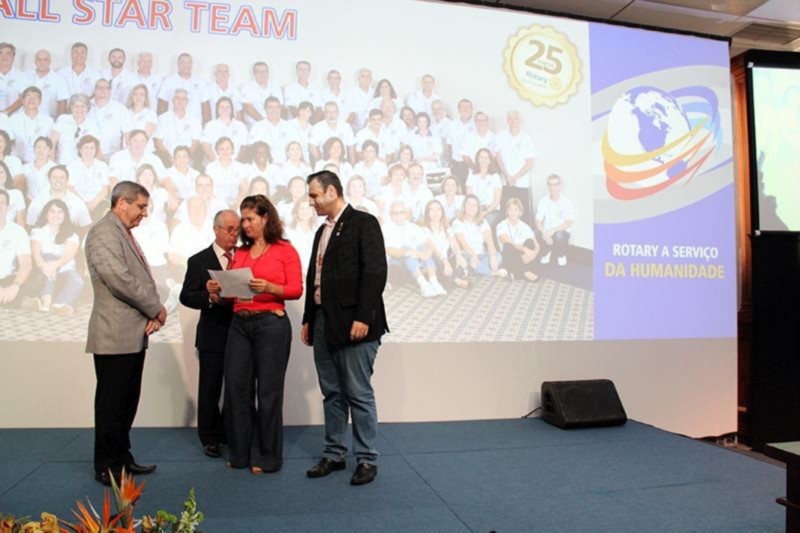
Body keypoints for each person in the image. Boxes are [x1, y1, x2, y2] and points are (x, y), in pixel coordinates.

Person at [302, 170, 388, 486]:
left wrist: (363, 317)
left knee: (358, 393)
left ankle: (366, 459)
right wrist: (308, 318)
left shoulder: (364, 223)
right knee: (332, 392)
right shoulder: (321, 231)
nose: (310, 202)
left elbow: (375, 272)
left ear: (331, 192)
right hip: (323, 321)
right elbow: (314, 278)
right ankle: (334, 454)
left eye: (314, 195)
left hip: (355, 323)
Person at [207, 194, 302, 474]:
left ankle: (267, 457)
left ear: (266, 218)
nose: (245, 225)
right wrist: (217, 290)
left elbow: (296, 289)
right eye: (243, 219)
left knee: (268, 393)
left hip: (271, 324)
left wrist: (270, 288)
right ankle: (240, 453)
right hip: (240, 324)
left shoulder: (285, 250)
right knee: (236, 390)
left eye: (250, 219)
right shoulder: (240, 253)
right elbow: (232, 293)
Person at [84, 180, 167, 486]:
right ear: (122, 203)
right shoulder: (104, 232)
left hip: (130, 334)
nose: (144, 213)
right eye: (141, 206)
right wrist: (155, 308)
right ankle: (107, 465)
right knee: (112, 403)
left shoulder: (121, 232)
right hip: (114, 334)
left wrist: (151, 312)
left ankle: (122, 458)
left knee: (126, 402)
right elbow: (119, 279)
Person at [179, 209, 240, 459]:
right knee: (210, 388)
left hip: (241, 332)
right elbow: (186, 296)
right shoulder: (199, 261)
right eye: (230, 229)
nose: (235, 234)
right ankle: (210, 438)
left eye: (238, 230)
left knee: (238, 387)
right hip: (212, 334)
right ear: (216, 229)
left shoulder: (245, 257)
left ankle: (231, 432)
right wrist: (210, 296)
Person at [24, 198, 84, 315]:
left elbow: (68, 255)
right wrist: (44, 266)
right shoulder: (37, 231)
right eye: (52, 211)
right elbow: (36, 254)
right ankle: (46, 298)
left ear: (65, 215)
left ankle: (59, 304)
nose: (56, 215)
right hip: (42, 271)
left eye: (60, 212)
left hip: (64, 270)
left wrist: (54, 265)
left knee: (78, 281)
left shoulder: (72, 235)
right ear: (46, 214)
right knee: (50, 256)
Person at [384, 199, 444, 297]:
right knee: (407, 248)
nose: (398, 216)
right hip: (394, 262)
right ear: (390, 214)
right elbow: (388, 250)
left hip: (415, 260)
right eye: (395, 213)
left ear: (405, 213)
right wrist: (409, 252)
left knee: (422, 247)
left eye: (401, 212)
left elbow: (426, 244)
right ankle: (423, 285)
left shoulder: (414, 227)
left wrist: (426, 252)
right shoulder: (385, 228)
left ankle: (434, 281)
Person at [452, 194, 505, 278]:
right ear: (464, 206)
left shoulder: (483, 222)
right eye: (469, 205)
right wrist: (474, 256)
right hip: (467, 254)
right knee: (464, 259)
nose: (472, 208)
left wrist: (492, 256)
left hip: (482, 254)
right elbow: (462, 242)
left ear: (478, 208)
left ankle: (474, 270)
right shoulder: (457, 222)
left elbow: (489, 241)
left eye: (474, 205)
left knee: (498, 256)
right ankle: (492, 273)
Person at [420, 199, 468, 289]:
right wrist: (444, 262)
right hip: (435, 261)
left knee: (464, 256)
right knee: (434, 256)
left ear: (442, 212)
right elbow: (433, 248)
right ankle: (456, 280)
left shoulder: (446, 228)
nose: (435, 212)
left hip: (446, 260)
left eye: (438, 209)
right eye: (432, 210)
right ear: (427, 213)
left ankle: (448, 278)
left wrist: (458, 255)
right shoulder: (424, 229)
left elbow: (454, 244)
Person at [496, 110, 535, 219]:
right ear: (507, 120)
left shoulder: (526, 138)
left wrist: (515, 177)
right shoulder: (501, 136)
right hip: (506, 182)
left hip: (521, 183)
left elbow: (529, 162)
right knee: (505, 213)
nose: (513, 121)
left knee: (523, 215)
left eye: (515, 118)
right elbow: (498, 158)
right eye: (510, 118)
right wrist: (508, 176)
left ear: (519, 120)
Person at [27, 165, 92, 230]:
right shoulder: (38, 201)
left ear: (67, 180)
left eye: (62, 177)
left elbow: (85, 228)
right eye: (54, 177)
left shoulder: (77, 202)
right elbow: (31, 226)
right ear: (49, 179)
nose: (58, 180)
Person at [157, 53, 210, 124]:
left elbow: (205, 106)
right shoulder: (168, 81)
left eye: (189, 63)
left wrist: (206, 125)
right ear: (178, 64)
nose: (186, 65)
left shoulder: (201, 82)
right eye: (183, 63)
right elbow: (162, 105)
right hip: (172, 124)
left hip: (195, 124)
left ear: (192, 64)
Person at [66, 135, 110, 220]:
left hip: (98, 204)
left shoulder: (102, 166)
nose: (89, 151)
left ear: (96, 150)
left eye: (92, 148)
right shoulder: (71, 166)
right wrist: (82, 204)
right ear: (80, 149)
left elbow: (105, 190)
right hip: (77, 203)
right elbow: (70, 188)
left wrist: (93, 203)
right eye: (85, 147)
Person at [535, 174, 575, 266]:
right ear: (547, 186)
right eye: (550, 184)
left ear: (559, 185)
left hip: (560, 232)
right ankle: (546, 252)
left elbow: (569, 222)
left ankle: (561, 255)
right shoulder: (543, 201)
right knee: (535, 233)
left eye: (555, 184)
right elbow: (538, 221)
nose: (552, 187)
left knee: (559, 235)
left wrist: (553, 230)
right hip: (547, 231)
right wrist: (545, 233)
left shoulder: (566, 202)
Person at [0, 189, 31, 308]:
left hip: (8, 279)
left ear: (8, 207)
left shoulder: (18, 231)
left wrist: (15, 286)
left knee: (36, 278)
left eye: (2, 203)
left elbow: (26, 263)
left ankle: (10, 297)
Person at [154, 89, 201, 166]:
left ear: (187, 102)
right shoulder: (163, 118)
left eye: (183, 99)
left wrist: (185, 158)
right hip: (167, 159)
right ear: (173, 101)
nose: (180, 101)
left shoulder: (195, 120)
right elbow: (158, 142)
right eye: (177, 98)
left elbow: (195, 143)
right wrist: (169, 157)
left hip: (187, 161)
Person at [497, 197, 540, 281]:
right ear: (507, 211)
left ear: (520, 212)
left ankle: (516, 273)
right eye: (510, 210)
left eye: (515, 210)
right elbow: (506, 241)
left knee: (530, 242)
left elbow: (537, 245)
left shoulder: (525, 226)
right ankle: (525, 272)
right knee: (508, 246)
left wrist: (533, 255)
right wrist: (524, 249)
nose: (513, 213)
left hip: (522, 256)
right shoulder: (501, 225)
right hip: (509, 255)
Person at [50, 93, 99, 164]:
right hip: (62, 165)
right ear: (71, 107)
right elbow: (52, 143)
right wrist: (52, 164)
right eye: (76, 106)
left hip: (83, 166)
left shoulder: (92, 124)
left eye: (83, 106)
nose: (80, 109)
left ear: (87, 108)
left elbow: (97, 148)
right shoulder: (63, 119)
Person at [9, 86, 54, 163]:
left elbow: (50, 144)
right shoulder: (13, 119)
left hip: (40, 162)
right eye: (28, 96)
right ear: (22, 100)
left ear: (40, 101)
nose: (32, 100)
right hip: (17, 162)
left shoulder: (48, 121)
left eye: (35, 97)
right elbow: (8, 143)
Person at [205, 136, 249, 208]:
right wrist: (218, 204)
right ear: (217, 151)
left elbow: (245, 188)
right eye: (221, 149)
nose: (225, 152)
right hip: (216, 204)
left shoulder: (239, 166)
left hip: (235, 204)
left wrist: (238, 202)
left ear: (232, 150)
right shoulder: (210, 167)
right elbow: (207, 187)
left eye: (228, 148)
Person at [201, 96, 247, 162]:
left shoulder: (240, 126)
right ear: (217, 109)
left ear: (232, 109)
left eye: (228, 107)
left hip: (235, 162)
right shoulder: (210, 125)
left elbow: (244, 147)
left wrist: (235, 163)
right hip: (214, 161)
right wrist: (217, 163)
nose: (225, 109)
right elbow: (205, 145)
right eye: (221, 107)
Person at [26, 49, 69, 118]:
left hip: (50, 119)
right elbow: (20, 98)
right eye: (39, 59)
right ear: (35, 61)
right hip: (27, 118)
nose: (41, 63)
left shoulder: (59, 79)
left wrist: (58, 121)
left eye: (45, 60)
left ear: (50, 61)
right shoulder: (25, 76)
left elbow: (62, 103)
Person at [466, 147, 502, 227]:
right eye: (481, 157)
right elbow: (469, 197)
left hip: (491, 210)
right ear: (477, 159)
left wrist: (485, 212)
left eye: (486, 158)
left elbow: (496, 201)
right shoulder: (472, 175)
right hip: (474, 209)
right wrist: (476, 211)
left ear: (490, 160)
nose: (484, 160)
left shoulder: (495, 176)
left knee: (484, 224)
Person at [248, 96, 291, 165]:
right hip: (265, 165)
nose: (274, 110)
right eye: (270, 107)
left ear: (280, 109)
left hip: (286, 164)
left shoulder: (289, 126)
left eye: (277, 107)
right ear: (265, 109)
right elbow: (252, 148)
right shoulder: (257, 127)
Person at [240, 61, 282, 127]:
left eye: (264, 71)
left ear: (268, 73)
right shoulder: (246, 87)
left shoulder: (276, 87)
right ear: (254, 74)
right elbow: (247, 107)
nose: (262, 74)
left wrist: (272, 123)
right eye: (258, 71)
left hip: (273, 124)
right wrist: (263, 122)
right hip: (253, 125)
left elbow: (280, 107)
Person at [286, 198, 320, 274]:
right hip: (292, 271)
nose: (305, 211)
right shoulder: (287, 230)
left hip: (312, 272)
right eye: (301, 208)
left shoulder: (317, 230)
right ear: (297, 211)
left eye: (308, 208)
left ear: (313, 211)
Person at [126, 84, 157, 153]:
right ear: (131, 96)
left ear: (145, 97)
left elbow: (146, 136)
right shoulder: (125, 112)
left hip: (145, 151)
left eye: (141, 95)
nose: (138, 97)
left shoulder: (151, 114)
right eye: (135, 94)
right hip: (127, 151)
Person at [0, 42, 25, 116]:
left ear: (13, 57)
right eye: (0, 52)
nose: (4, 56)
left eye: (8, 53)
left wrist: (4, 113)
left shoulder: (22, 76)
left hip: (14, 118)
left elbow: (23, 98)